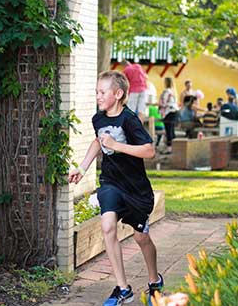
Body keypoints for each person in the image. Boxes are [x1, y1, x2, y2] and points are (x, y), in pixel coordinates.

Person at [68, 71, 164, 306]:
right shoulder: (98, 119)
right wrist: (82, 167)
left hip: (136, 189)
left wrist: (117, 145)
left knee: (142, 238)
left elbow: (149, 151)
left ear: (118, 94)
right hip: (111, 183)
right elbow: (97, 141)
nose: (98, 96)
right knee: (107, 226)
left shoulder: (129, 120)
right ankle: (123, 288)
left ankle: (154, 282)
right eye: (96, 92)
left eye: (102, 92)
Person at [158, 77, 179, 154]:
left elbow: (163, 102)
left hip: (169, 112)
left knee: (168, 131)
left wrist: (159, 106)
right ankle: (174, 148)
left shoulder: (166, 91)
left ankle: (169, 148)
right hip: (175, 112)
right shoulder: (174, 91)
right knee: (172, 130)